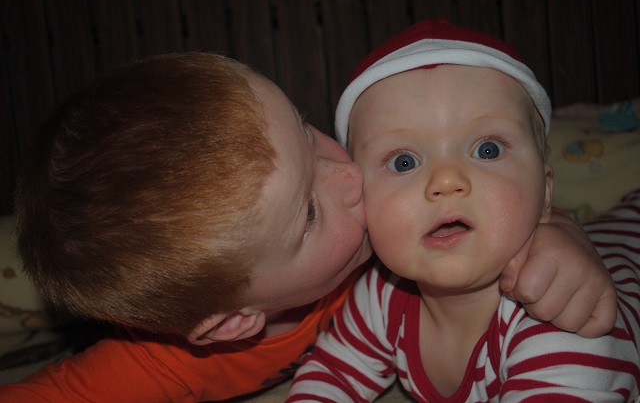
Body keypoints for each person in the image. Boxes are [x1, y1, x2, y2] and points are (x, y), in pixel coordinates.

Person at [0, 51, 617, 402]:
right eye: (311, 213)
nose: (350, 176)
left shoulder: (384, 244)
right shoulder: (158, 364)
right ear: (233, 321)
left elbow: (492, 200)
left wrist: (557, 229)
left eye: (306, 130)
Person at [287, 20, 640, 402]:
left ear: (545, 193)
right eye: (404, 162)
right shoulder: (383, 293)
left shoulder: (558, 321)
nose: (446, 180)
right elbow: (334, 372)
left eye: (488, 150)